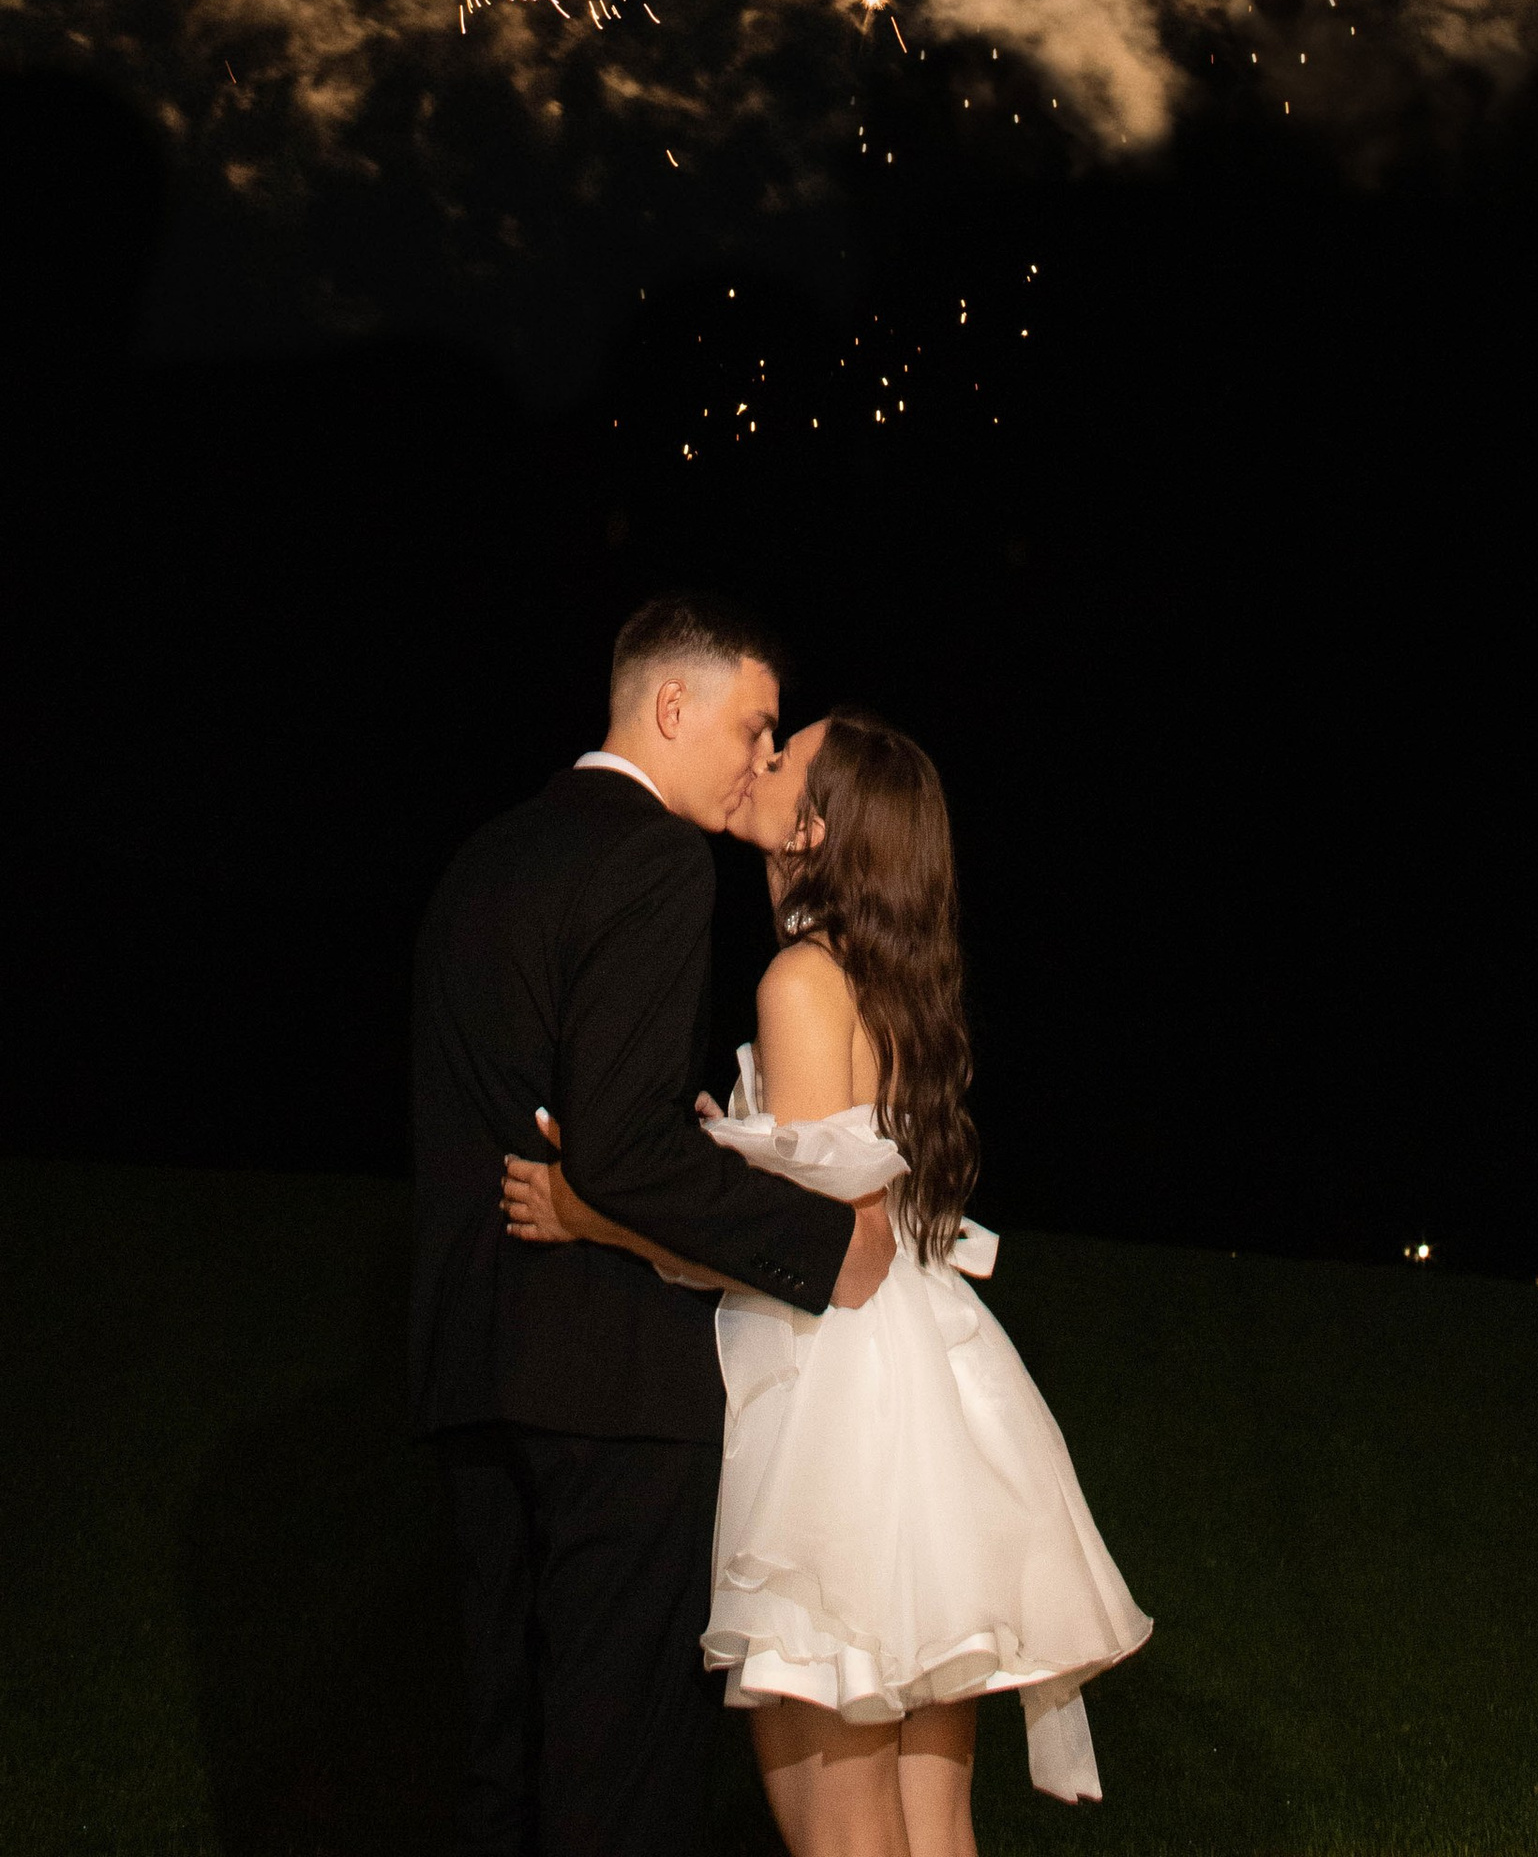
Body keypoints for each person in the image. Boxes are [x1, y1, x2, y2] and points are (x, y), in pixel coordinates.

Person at [505, 711, 1151, 1855]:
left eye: (782, 755)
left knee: (841, 1828)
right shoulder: (881, 976)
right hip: (924, 1411)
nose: (755, 761)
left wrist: (590, 1214)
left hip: (837, 1423)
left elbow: (820, 1256)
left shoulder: (801, 979)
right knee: (928, 1818)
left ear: (814, 825)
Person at [410, 600, 900, 1857]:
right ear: (669, 708)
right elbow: (620, 1149)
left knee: (498, 1765)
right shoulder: (656, 858)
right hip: (611, 1389)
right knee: (614, 1772)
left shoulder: (482, 855)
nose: (757, 754)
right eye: (752, 726)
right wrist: (822, 1240)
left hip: (471, 1369)